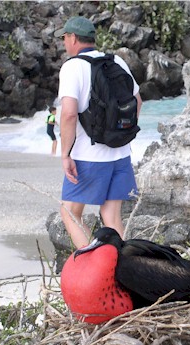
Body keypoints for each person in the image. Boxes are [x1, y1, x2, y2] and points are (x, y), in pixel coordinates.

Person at [54, 16, 142, 249]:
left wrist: (65, 154)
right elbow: (137, 101)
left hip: (89, 156)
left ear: (73, 38)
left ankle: (92, 263)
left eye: (65, 38)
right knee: (111, 217)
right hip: (120, 153)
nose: (64, 42)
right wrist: (120, 135)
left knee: (70, 212)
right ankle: (121, 267)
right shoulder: (116, 61)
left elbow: (69, 114)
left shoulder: (72, 67)